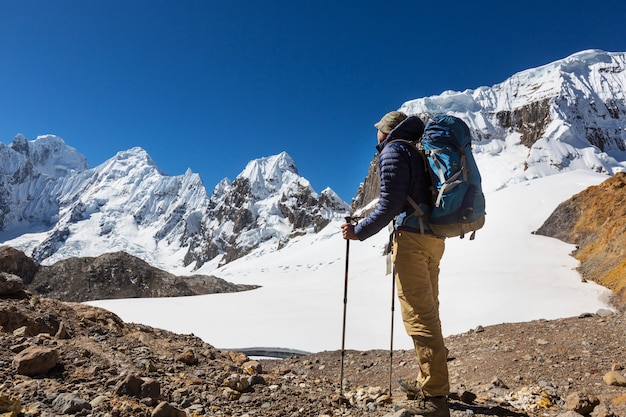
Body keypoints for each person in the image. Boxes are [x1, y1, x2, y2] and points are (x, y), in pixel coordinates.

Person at [341, 110, 450, 417]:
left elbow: (389, 204)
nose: (376, 135)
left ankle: (435, 398)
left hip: (412, 241)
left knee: (419, 316)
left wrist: (357, 231)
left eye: (379, 130)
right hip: (433, 238)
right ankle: (429, 380)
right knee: (429, 311)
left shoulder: (393, 152)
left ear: (387, 132)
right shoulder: (417, 151)